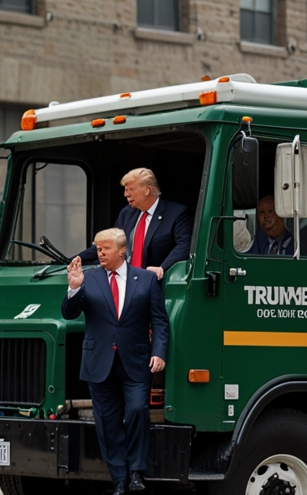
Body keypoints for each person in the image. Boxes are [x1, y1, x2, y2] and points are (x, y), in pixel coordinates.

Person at [62, 228, 169, 495]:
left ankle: (136, 472)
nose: (99, 253)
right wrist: (73, 289)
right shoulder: (89, 278)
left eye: (105, 248)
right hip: (99, 362)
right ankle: (120, 479)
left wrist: (159, 352)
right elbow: (69, 314)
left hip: (135, 360)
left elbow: (160, 320)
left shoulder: (145, 280)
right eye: (98, 249)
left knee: (136, 412)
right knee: (107, 423)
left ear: (122, 251)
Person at [78, 168, 192, 280]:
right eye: (125, 189)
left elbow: (184, 244)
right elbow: (110, 242)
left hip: (153, 282)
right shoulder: (127, 213)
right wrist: (77, 260)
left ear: (147, 190)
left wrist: (162, 268)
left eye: (131, 189)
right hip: (123, 282)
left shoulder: (176, 213)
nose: (126, 194)